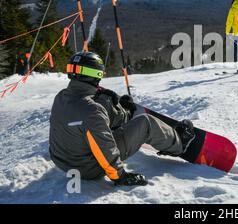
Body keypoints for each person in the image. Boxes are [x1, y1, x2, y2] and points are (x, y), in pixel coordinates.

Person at [49, 51, 196, 186]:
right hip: (88, 168)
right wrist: (119, 176)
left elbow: (87, 119)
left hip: (63, 162)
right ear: (96, 74)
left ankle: (125, 115)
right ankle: (179, 143)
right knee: (146, 122)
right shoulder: (92, 110)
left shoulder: (61, 97)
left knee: (100, 111)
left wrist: (118, 107)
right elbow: (103, 146)